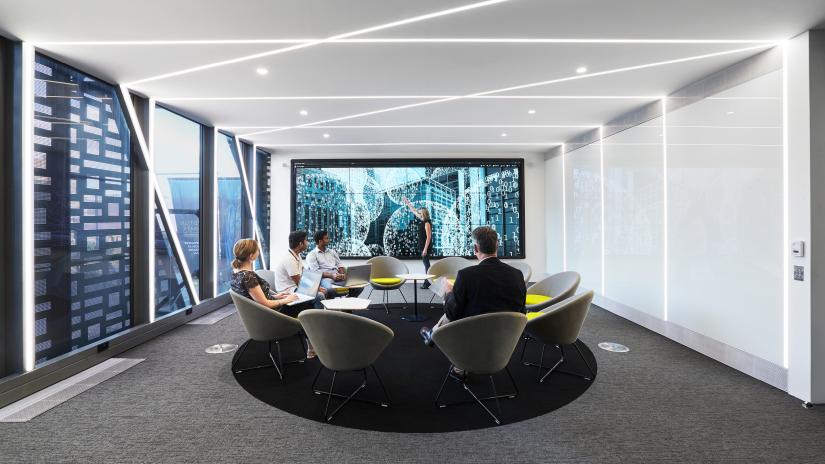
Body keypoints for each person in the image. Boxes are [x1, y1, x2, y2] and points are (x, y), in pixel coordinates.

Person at [420, 226, 527, 356]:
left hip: (471, 337)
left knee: (456, 304)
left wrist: (449, 292)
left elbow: (451, 313)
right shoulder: (517, 274)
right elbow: (522, 310)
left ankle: (439, 342)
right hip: (505, 341)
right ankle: (433, 335)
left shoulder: (466, 275)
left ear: (475, 248)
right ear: (497, 246)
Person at [230, 238, 300, 314]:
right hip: (272, 314)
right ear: (251, 256)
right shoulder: (248, 277)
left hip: (258, 312)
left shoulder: (236, 272)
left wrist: (276, 297)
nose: (258, 252)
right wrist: (286, 300)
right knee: (307, 303)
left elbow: (255, 298)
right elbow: (265, 304)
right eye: (257, 250)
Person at [273, 230, 329, 307]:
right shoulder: (289, 259)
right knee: (319, 296)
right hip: (288, 291)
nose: (308, 243)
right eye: (306, 240)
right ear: (300, 244)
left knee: (325, 291)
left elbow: (305, 274)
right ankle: (317, 318)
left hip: (296, 287)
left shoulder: (297, 255)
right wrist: (316, 288)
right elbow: (299, 283)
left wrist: (317, 287)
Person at [305, 230, 363, 297]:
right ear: (320, 241)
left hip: (338, 276)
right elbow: (316, 272)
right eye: (326, 238)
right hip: (326, 278)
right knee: (331, 289)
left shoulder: (332, 252)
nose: (329, 240)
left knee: (359, 286)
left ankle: (349, 301)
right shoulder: (312, 255)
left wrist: (342, 274)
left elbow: (340, 265)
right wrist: (332, 276)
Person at [403, 196, 433, 289]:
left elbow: (429, 237)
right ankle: (428, 282)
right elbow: (414, 211)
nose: (418, 214)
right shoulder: (423, 221)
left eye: (420, 213)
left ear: (423, 214)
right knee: (426, 264)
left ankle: (428, 282)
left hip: (425, 247)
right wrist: (407, 203)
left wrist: (425, 249)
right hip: (422, 246)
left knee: (426, 264)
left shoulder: (427, 223)